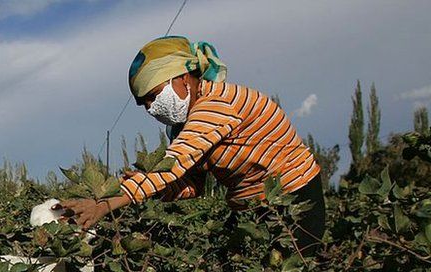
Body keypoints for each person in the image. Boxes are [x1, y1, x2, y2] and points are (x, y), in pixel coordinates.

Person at [62, 36, 326, 255]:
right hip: (250, 207)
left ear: (184, 77)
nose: (151, 108)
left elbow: (174, 163)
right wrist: (148, 190)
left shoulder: (217, 104)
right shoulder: (185, 126)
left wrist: (104, 204)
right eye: (144, 103)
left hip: (293, 200)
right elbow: (191, 184)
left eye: (153, 96)